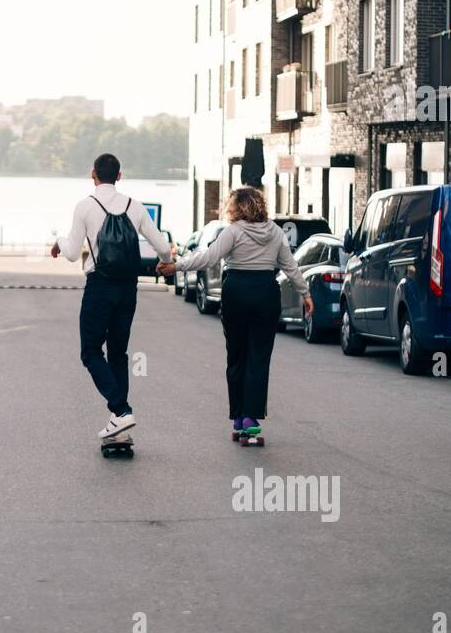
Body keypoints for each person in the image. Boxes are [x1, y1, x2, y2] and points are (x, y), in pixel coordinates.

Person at [160, 186, 313, 439]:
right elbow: (290, 266)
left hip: (237, 292)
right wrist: (305, 294)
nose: (228, 209)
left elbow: (208, 258)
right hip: (266, 293)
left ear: (239, 207)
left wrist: (175, 266)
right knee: (259, 357)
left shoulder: (233, 232)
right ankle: (251, 416)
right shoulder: (275, 232)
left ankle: (240, 418)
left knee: (237, 355)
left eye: (231, 205)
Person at [51, 153, 172, 439]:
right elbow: (161, 245)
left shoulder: (85, 207)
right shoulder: (136, 206)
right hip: (128, 288)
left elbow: (71, 254)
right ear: (119, 176)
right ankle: (119, 424)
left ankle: (120, 410)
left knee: (91, 352)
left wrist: (57, 241)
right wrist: (165, 262)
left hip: (99, 287)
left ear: (93, 174)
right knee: (118, 353)